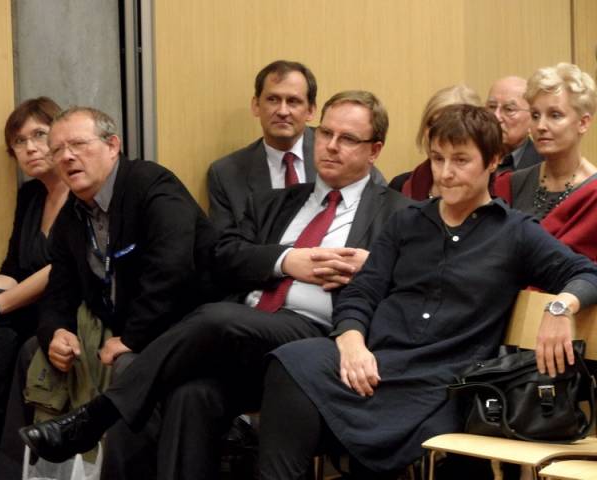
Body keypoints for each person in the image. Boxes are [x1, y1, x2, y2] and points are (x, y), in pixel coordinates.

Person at [18, 90, 412, 480]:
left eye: (348, 139)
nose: (331, 146)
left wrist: (372, 266)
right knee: (191, 395)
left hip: (320, 338)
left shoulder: (399, 215)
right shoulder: (274, 203)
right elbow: (222, 256)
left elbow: (417, 290)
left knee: (215, 318)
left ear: (374, 150)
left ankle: (94, 418)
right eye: (325, 133)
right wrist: (285, 259)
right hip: (245, 339)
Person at [255, 105, 597, 479]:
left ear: (493, 161)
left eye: (461, 160)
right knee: (291, 361)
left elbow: (586, 272)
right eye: (437, 159)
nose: (446, 173)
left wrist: (560, 308)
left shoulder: (515, 232)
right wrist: (351, 342)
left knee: (430, 437)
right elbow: (362, 292)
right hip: (378, 361)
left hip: (445, 381)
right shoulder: (406, 222)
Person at [0, 106, 217, 479]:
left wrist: (132, 338)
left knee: (128, 366)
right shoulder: (73, 215)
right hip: (116, 327)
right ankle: (16, 473)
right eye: (58, 149)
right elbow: (58, 292)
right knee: (34, 351)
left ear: (112, 145)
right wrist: (56, 333)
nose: (66, 156)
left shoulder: (152, 185)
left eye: (78, 145)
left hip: (180, 328)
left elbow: (172, 272)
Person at [0, 97, 68, 455]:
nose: (30, 148)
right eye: (19, 141)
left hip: (67, 306)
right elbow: (13, 268)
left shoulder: (81, 188)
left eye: (39, 134)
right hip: (31, 306)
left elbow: (61, 268)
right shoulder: (31, 195)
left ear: (60, 135)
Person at [207, 60, 385, 232]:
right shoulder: (226, 174)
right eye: (273, 99)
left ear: (311, 110)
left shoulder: (342, 155)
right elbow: (225, 247)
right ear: (256, 105)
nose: (283, 111)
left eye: (293, 101)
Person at [494, 63, 597, 261]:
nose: (540, 126)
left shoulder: (593, 193)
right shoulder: (508, 185)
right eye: (535, 115)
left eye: (555, 115)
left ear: (583, 123)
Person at [389, 84, 481, 199]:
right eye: (431, 124)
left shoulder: (498, 190)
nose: (434, 133)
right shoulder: (400, 186)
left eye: (447, 125)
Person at [486, 76, 544, 172]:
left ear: (532, 118)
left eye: (509, 109)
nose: (496, 116)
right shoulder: (475, 158)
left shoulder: (544, 165)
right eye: (492, 107)